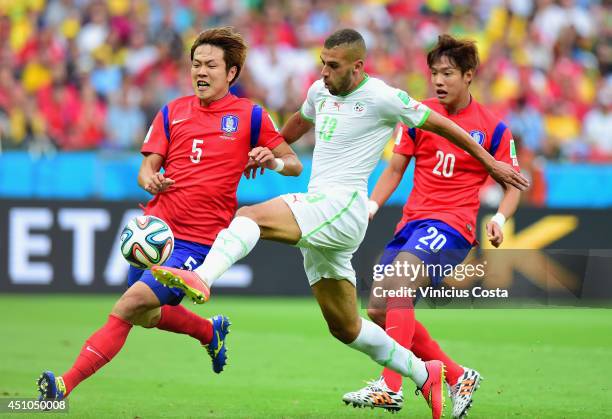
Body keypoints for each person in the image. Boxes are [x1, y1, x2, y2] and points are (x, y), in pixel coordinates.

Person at [151, 29, 528, 419]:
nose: (325, 73)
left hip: (343, 205)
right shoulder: (320, 91)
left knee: (250, 217)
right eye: (322, 64)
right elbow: (300, 119)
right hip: (334, 217)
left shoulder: (383, 96)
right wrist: (272, 144)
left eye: (333, 66)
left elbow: (443, 125)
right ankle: (426, 372)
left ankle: (203, 278)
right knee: (347, 326)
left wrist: (489, 162)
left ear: (357, 66)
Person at [36, 27, 302, 400]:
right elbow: (146, 168)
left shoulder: (250, 115)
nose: (201, 72)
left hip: (197, 243)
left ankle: (63, 386)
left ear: (231, 73)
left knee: (128, 306)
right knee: (144, 315)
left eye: (211, 65)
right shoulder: (172, 111)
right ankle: (210, 332)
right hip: (156, 233)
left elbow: (294, 166)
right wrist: (150, 180)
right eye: (196, 64)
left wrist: (271, 159)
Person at [341, 34, 521, 418]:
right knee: (376, 309)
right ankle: (457, 375)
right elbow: (394, 168)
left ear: (469, 76)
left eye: (448, 73)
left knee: (402, 284)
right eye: (435, 73)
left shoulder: (493, 128)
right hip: (412, 224)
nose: (439, 81)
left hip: (453, 227)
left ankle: (390, 387)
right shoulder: (417, 114)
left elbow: (514, 185)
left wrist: (501, 218)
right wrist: (372, 204)